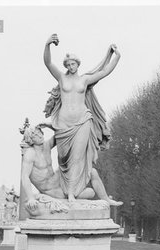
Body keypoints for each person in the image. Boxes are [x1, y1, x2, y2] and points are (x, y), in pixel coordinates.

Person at [43, 33, 121, 201]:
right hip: (63, 125)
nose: (71, 66)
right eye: (69, 64)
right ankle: (69, 190)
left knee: (77, 158)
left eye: (73, 63)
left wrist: (116, 57)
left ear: (78, 64)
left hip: (82, 120)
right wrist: (47, 45)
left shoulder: (84, 80)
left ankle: (71, 193)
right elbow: (48, 63)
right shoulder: (61, 77)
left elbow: (104, 71)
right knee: (63, 159)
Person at [19, 121, 122, 212]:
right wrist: (31, 197)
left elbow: (62, 132)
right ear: (31, 139)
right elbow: (24, 176)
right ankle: (71, 195)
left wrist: (49, 125)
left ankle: (106, 199)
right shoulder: (30, 154)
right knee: (90, 193)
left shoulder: (46, 146)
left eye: (40, 132)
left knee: (91, 171)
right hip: (51, 191)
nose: (40, 135)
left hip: (57, 179)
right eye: (36, 135)